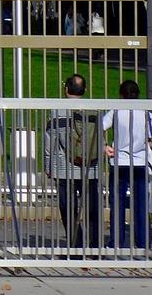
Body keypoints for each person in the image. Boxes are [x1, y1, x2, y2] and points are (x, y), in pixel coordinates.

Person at [45, 73, 103, 251]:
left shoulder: (58, 110)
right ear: (84, 90)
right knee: (93, 210)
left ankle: (75, 247)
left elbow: (51, 140)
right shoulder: (94, 109)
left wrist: (49, 165)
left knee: (68, 209)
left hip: (65, 168)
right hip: (90, 168)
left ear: (66, 89)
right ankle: (95, 249)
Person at [102, 79, 152, 249]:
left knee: (117, 203)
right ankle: (142, 242)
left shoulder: (116, 110)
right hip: (140, 162)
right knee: (141, 204)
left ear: (121, 94)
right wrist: (145, 145)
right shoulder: (145, 113)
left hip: (119, 161)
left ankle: (116, 242)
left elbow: (100, 127)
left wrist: (105, 147)